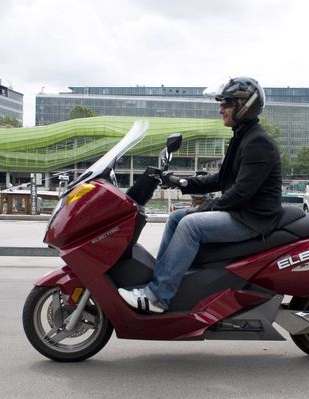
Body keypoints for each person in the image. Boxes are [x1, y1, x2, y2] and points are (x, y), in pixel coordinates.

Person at [119, 76, 283, 313]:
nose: (220, 109)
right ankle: (161, 280)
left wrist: (205, 208)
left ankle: (158, 296)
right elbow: (221, 179)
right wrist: (182, 182)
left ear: (244, 106)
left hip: (253, 219)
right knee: (177, 218)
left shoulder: (258, 142)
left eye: (226, 103)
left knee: (191, 225)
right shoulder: (243, 137)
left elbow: (240, 193)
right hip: (242, 212)